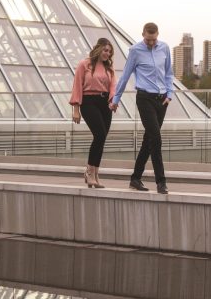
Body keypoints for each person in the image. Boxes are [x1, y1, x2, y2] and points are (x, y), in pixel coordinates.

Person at [110, 23, 174, 194]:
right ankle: (161, 182)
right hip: (144, 98)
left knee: (149, 141)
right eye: (147, 39)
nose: (151, 43)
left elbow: (169, 73)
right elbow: (125, 75)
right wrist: (116, 99)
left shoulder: (165, 48)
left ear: (157, 35)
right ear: (143, 34)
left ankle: (135, 178)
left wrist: (170, 94)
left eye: (153, 40)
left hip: (162, 100)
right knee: (156, 138)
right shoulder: (135, 50)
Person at [69, 38, 117, 188]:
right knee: (100, 135)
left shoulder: (109, 68)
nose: (107, 54)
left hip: (105, 104)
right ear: (98, 49)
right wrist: (76, 109)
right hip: (89, 102)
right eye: (105, 50)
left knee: (102, 139)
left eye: (109, 51)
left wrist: (113, 101)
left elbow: (113, 86)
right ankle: (89, 172)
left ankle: (95, 173)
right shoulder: (85, 64)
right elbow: (77, 85)